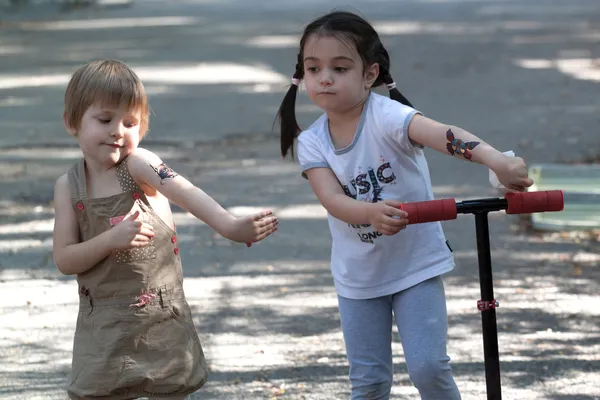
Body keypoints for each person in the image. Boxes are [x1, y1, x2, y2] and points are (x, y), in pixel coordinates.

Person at [277, 11, 533, 400]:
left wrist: (495, 159)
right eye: (314, 68)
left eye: (339, 68)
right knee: (369, 383)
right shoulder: (313, 142)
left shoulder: (389, 117)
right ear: (302, 75)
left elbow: (445, 136)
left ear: (370, 74)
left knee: (429, 368)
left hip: (416, 265)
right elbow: (331, 199)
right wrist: (370, 214)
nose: (325, 77)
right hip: (358, 278)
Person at [52, 59, 279, 400]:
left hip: (160, 319)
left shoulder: (139, 164)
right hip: (102, 329)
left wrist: (230, 226)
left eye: (131, 123)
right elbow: (65, 259)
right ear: (71, 122)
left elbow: (186, 192)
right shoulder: (69, 187)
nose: (118, 130)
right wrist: (110, 240)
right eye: (105, 119)